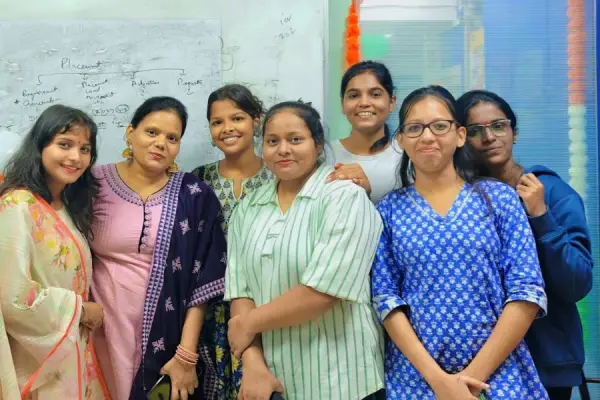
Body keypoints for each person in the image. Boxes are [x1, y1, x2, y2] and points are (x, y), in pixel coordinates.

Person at [371, 85, 549, 399]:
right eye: (414, 128)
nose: (427, 137)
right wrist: (440, 382)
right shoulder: (387, 211)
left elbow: (526, 291)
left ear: (460, 135)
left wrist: (470, 379)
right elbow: (386, 300)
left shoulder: (499, 199)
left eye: (440, 126)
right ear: (400, 140)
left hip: (499, 376)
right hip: (416, 380)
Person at [225, 101, 385, 400]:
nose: (283, 150)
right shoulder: (248, 208)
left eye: (295, 139)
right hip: (273, 380)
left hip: (341, 380)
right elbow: (241, 291)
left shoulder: (344, 196)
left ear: (318, 145)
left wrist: (247, 324)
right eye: (273, 141)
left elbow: (323, 291)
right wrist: (253, 363)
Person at [457, 89, 594, 400]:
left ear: (514, 133)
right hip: (480, 363)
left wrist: (541, 217)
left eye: (498, 126)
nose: (489, 137)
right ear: (462, 137)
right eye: (476, 130)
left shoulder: (552, 191)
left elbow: (578, 282)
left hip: (546, 363)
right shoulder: (459, 201)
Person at [90, 96, 228, 400]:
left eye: (172, 138)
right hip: (99, 332)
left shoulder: (194, 195)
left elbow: (203, 283)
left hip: (166, 337)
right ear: (130, 132)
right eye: (151, 132)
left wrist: (186, 355)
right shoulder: (91, 184)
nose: (160, 144)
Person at [0, 104, 109, 399]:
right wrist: (81, 310)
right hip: (38, 359)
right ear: (40, 146)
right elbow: (13, 297)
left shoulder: (67, 206)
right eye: (64, 144)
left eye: (85, 149)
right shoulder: (17, 205)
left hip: (73, 349)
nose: (75, 157)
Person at [192, 84, 273, 398]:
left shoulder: (279, 175)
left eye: (237, 118)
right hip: (212, 307)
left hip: (266, 302)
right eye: (217, 122)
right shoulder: (199, 179)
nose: (227, 128)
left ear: (256, 120)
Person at [327, 60, 402, 203]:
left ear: (391, 102)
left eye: (375, 94)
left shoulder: (406, 157)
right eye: (354, 96)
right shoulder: (325, 155)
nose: (364, 103)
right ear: (342, 104)